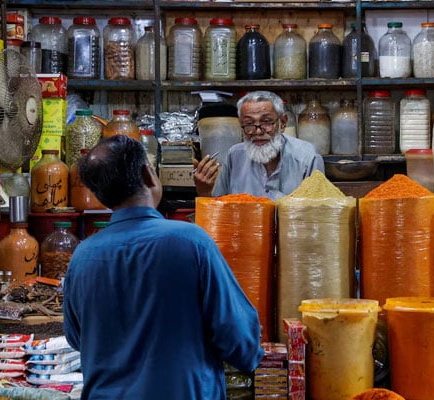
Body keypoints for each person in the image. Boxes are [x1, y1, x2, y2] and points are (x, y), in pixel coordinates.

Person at [63, 135, 264, 399]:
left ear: (99, 194)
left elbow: (78, 339)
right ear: (148, 174)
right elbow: (239, 341)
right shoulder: (191, 241)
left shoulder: (82, 256)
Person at [194, 90, 324, 200]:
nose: (257, 131)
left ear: (283, 123)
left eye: (266, 122)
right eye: (249, 123)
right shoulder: (234, 155)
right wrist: (204, 192)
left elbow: (316, 215)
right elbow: (219, 210)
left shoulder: (307, 158)